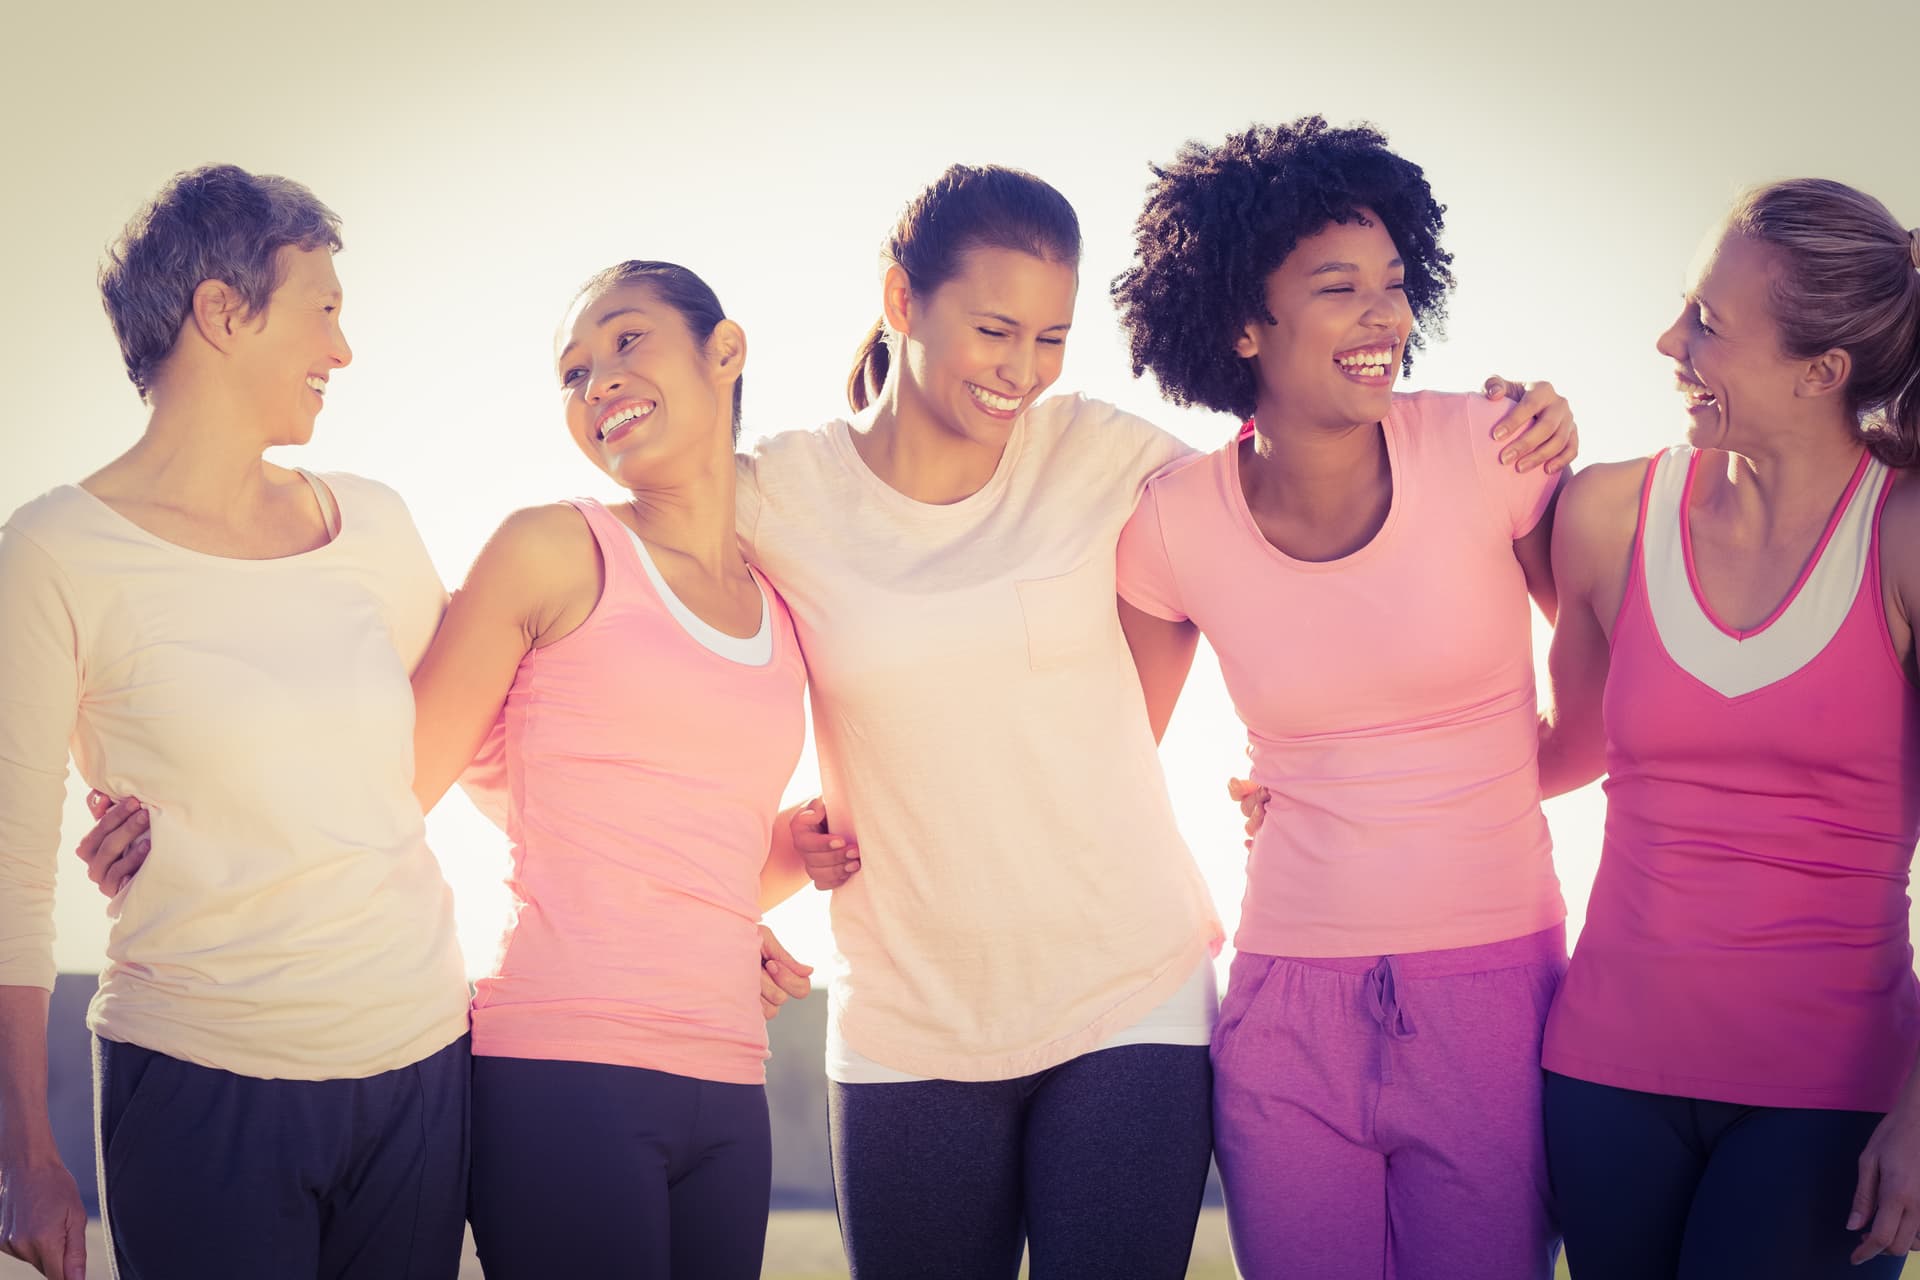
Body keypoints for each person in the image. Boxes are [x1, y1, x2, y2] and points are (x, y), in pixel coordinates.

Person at [766, 160, 1576, 1279]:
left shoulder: (1109, 459)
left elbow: (1282, 561)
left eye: (1050, 338)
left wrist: (1355, 781)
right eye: (996, 329)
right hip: (907, 1000)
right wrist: (739, 876)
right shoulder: (782, 494)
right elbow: (656, 667)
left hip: (1129, 987)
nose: (1023, 371)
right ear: (902, 299)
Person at [75, 260, 819, 1280]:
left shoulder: (781, 598)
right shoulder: (552, 549)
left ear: (724, 352)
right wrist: (188, 823)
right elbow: (391, 778)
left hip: (732, 1072)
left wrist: (788, 856)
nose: (596, 379)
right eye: (571, 370)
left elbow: (679, 843)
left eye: (626, 341)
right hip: (565, 1065)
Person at [1108, 117, 1570, 1280]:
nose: (1387, 318)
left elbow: (1630, 696)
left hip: (1491, 992)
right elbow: (1106, 749)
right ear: (1242, 323)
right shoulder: (1173, 522)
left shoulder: (1491, 447)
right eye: (1338, 288)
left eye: (1396, 284)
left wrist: (1465, 788)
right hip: (1283, 1008)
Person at [0, 165, 470, 1280]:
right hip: (198, 1076)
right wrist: (23, 1151)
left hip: (419, 1063)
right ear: (222, 310)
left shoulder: (375, 522)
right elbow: (11, 871)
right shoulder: (54, 553)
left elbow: (483, 745)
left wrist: (707, 900)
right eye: (324, 308)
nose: (343, 350)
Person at [1536, 180, 1920, 1278]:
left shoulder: (1903, 534)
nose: (1671, 338)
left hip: (1828, 1100)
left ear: (1822, 370)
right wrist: (1326, 767)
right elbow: (1558, 752)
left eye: (1707, 321)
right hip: (1605, 1078)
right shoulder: (1610, 513)